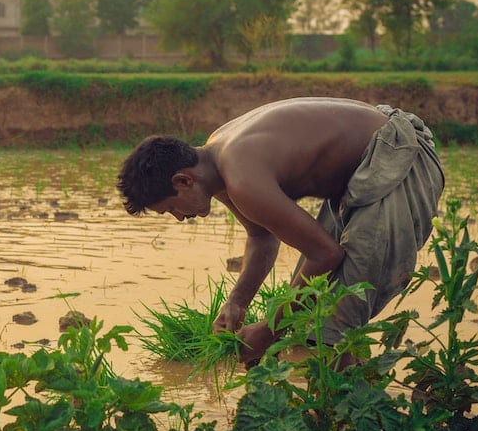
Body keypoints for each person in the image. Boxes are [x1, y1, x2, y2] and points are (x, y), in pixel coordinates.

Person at [116, 97, 445, 367]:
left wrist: (270, 329)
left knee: (337, 315)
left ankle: (347, 420)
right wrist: (236, 302)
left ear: (183, 181)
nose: (178, 218)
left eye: (171, 208)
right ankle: (341, 408)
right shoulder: (215, 162)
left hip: (395, 152)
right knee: (314, 314)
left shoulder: (241, 176)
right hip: (362, 164)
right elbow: (261, 237)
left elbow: (325, 253)